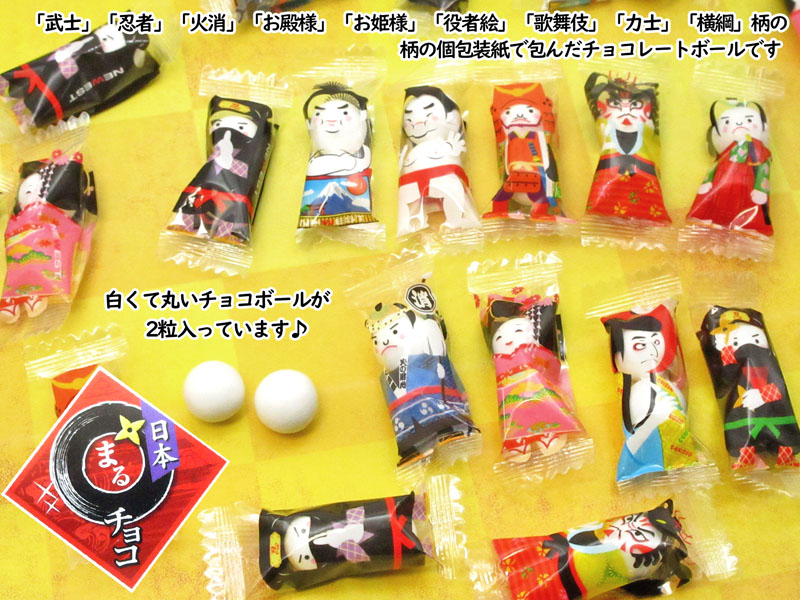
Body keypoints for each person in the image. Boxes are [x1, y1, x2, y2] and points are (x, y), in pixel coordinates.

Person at [602, 306, 697, 480]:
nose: (652, 352)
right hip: (648, 457)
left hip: (678, 452)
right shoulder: (635, 391)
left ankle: (680, 461)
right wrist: (653, 421)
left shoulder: (666, 386)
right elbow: (633, 443)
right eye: (639, 345)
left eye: (656, 342)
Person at [169, 97, 273, 243]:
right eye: (218, 125)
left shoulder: (243, 163)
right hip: (208, 190)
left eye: (240, 128)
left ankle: (229, 233)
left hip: (231, 195)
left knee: (230, 212)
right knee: (196, 205)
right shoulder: (215, 159)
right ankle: (186, 224)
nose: (228, 132)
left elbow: (245, 174)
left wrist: (227, 161)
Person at [584, 73, 668, 222]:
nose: (626, 111)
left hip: (645, 176)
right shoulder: (606, 126)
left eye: (634, 106)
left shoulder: (646, 128)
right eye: (617, 106)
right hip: (610, 174)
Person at [397, 86, 479, 235]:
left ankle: (457, 219)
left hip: (442, 178)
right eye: (409, 119)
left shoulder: (445, 145)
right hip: (412, 181)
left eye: (429, 115)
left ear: (452, 118)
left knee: (454, 187)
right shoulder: (413, 150)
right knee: (404, 196)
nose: (418, 123)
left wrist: (453, 148)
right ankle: (406, 225)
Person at [298, 82, 378, 228]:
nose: (331, 120)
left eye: (345, 113)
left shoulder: (360, 156)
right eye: (318, 114)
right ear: (309, 124)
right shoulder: (317, 162)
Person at [687, 99, 772, 236]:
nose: (739, 124)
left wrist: (760, 189)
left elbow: (763, 170)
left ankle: (748, 225)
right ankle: (713, 218)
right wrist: (708, 181)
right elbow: (715, 168)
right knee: (719, 199)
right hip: (722, 179)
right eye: (727, 122)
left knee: (742, 202)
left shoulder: (759, 150)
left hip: (746, 181)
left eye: (749, 120)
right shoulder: (727, 151)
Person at [488, 82, 564, 219]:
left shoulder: (541, 137)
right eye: (508, 112)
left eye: (530, 111)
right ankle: (500, 209)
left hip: (538, 174)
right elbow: (505, 160)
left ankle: (542, 211)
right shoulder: (509, 139)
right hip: (514, 176)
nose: (519, 115)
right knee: (504, 194)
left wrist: (550, 177)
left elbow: (547, 158)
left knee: (541, 194)